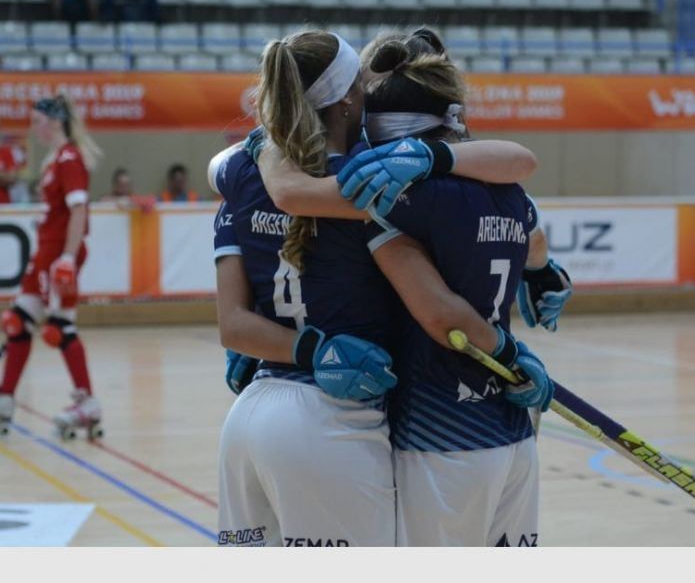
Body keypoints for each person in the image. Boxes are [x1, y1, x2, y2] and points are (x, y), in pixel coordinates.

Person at [208, 30, 540, 547]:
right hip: (337, 422)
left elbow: (232, 322)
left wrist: (264, 146)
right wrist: (511, 346)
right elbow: (520, 179)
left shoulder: (238, 173)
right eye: (363, 85)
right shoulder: (375, 186)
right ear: (346, 101)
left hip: (248, 415)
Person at [0, 94, 105, 440]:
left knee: (58, 328)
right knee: (16, 323)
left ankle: (86, 402)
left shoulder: (70, 158)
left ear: (55, 122)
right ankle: (4, 398)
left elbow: (78, 210)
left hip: (59, 254)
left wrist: (69, 258)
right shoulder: (54, 159)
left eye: (38, 121)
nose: (34, 128)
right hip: (44, 254)